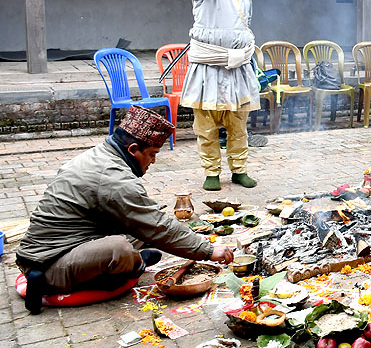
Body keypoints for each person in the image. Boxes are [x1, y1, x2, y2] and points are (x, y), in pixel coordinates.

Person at [15, 107, 235, 315]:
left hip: (79, 241)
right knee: (120, 247)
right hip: (49, 261)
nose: (153, 161)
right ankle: (131, 265)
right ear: (132, 149)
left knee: (138, 229)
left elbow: (146, 222)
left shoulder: (101, 154)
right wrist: (207, 251)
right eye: (151, 154)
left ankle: (134, 261)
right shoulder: (113, 177)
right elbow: (157, 226)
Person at [180, 0, 260, 191]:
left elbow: (244, 22)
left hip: (237, 64)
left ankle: (239, 169)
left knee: (238, 123)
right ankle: (211, 172)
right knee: (206, 123)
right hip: (208, 64)